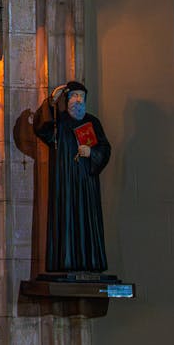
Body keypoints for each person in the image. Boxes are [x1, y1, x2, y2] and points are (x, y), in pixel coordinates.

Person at [33, 81, 111, 272]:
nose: (78, 100)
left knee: (87, 221)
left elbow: (105, 149)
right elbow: (41, 129)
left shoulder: (93, 122)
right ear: (67, 100)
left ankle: (90, 262)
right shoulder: (59, 123)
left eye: (81, 97)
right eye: (74, 96)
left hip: (86, 184)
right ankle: (65, 262)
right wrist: (51, 100)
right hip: (65, 182)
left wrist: (91, 153)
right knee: (66, 219)